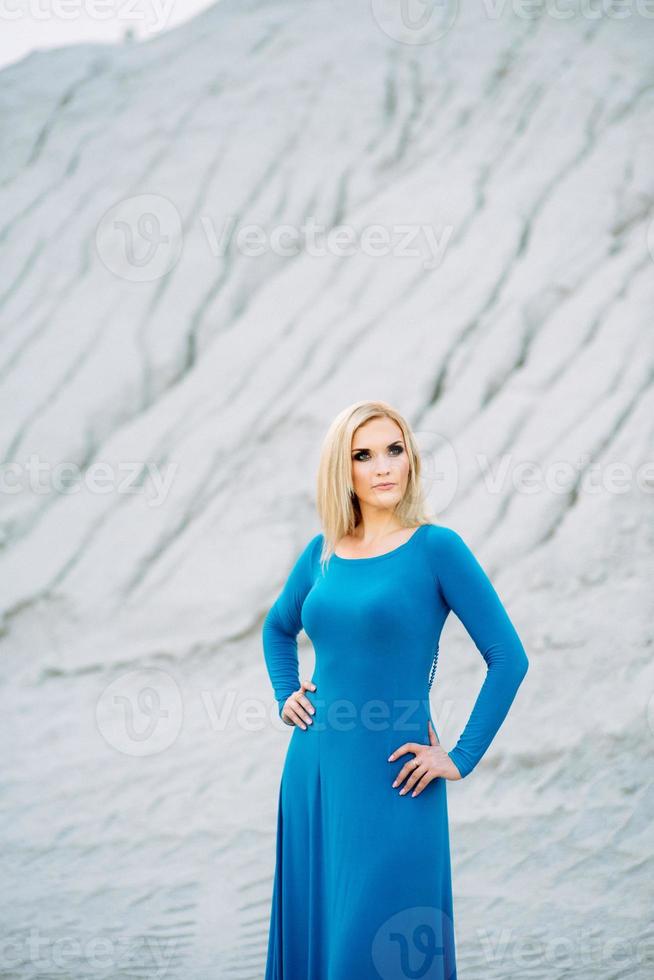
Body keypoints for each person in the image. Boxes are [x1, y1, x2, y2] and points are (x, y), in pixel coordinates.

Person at [262, 400, 529, 980]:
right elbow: (278, 627)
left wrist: (460, 757)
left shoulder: (437, 548)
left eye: (394, 449)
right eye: (364, 455)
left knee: (382, 947)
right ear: (344, 469)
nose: (383, 466)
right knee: (321, 937)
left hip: (397, 779)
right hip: (313, 773)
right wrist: (287, 691)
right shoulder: (322, 554)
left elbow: (508, 658)